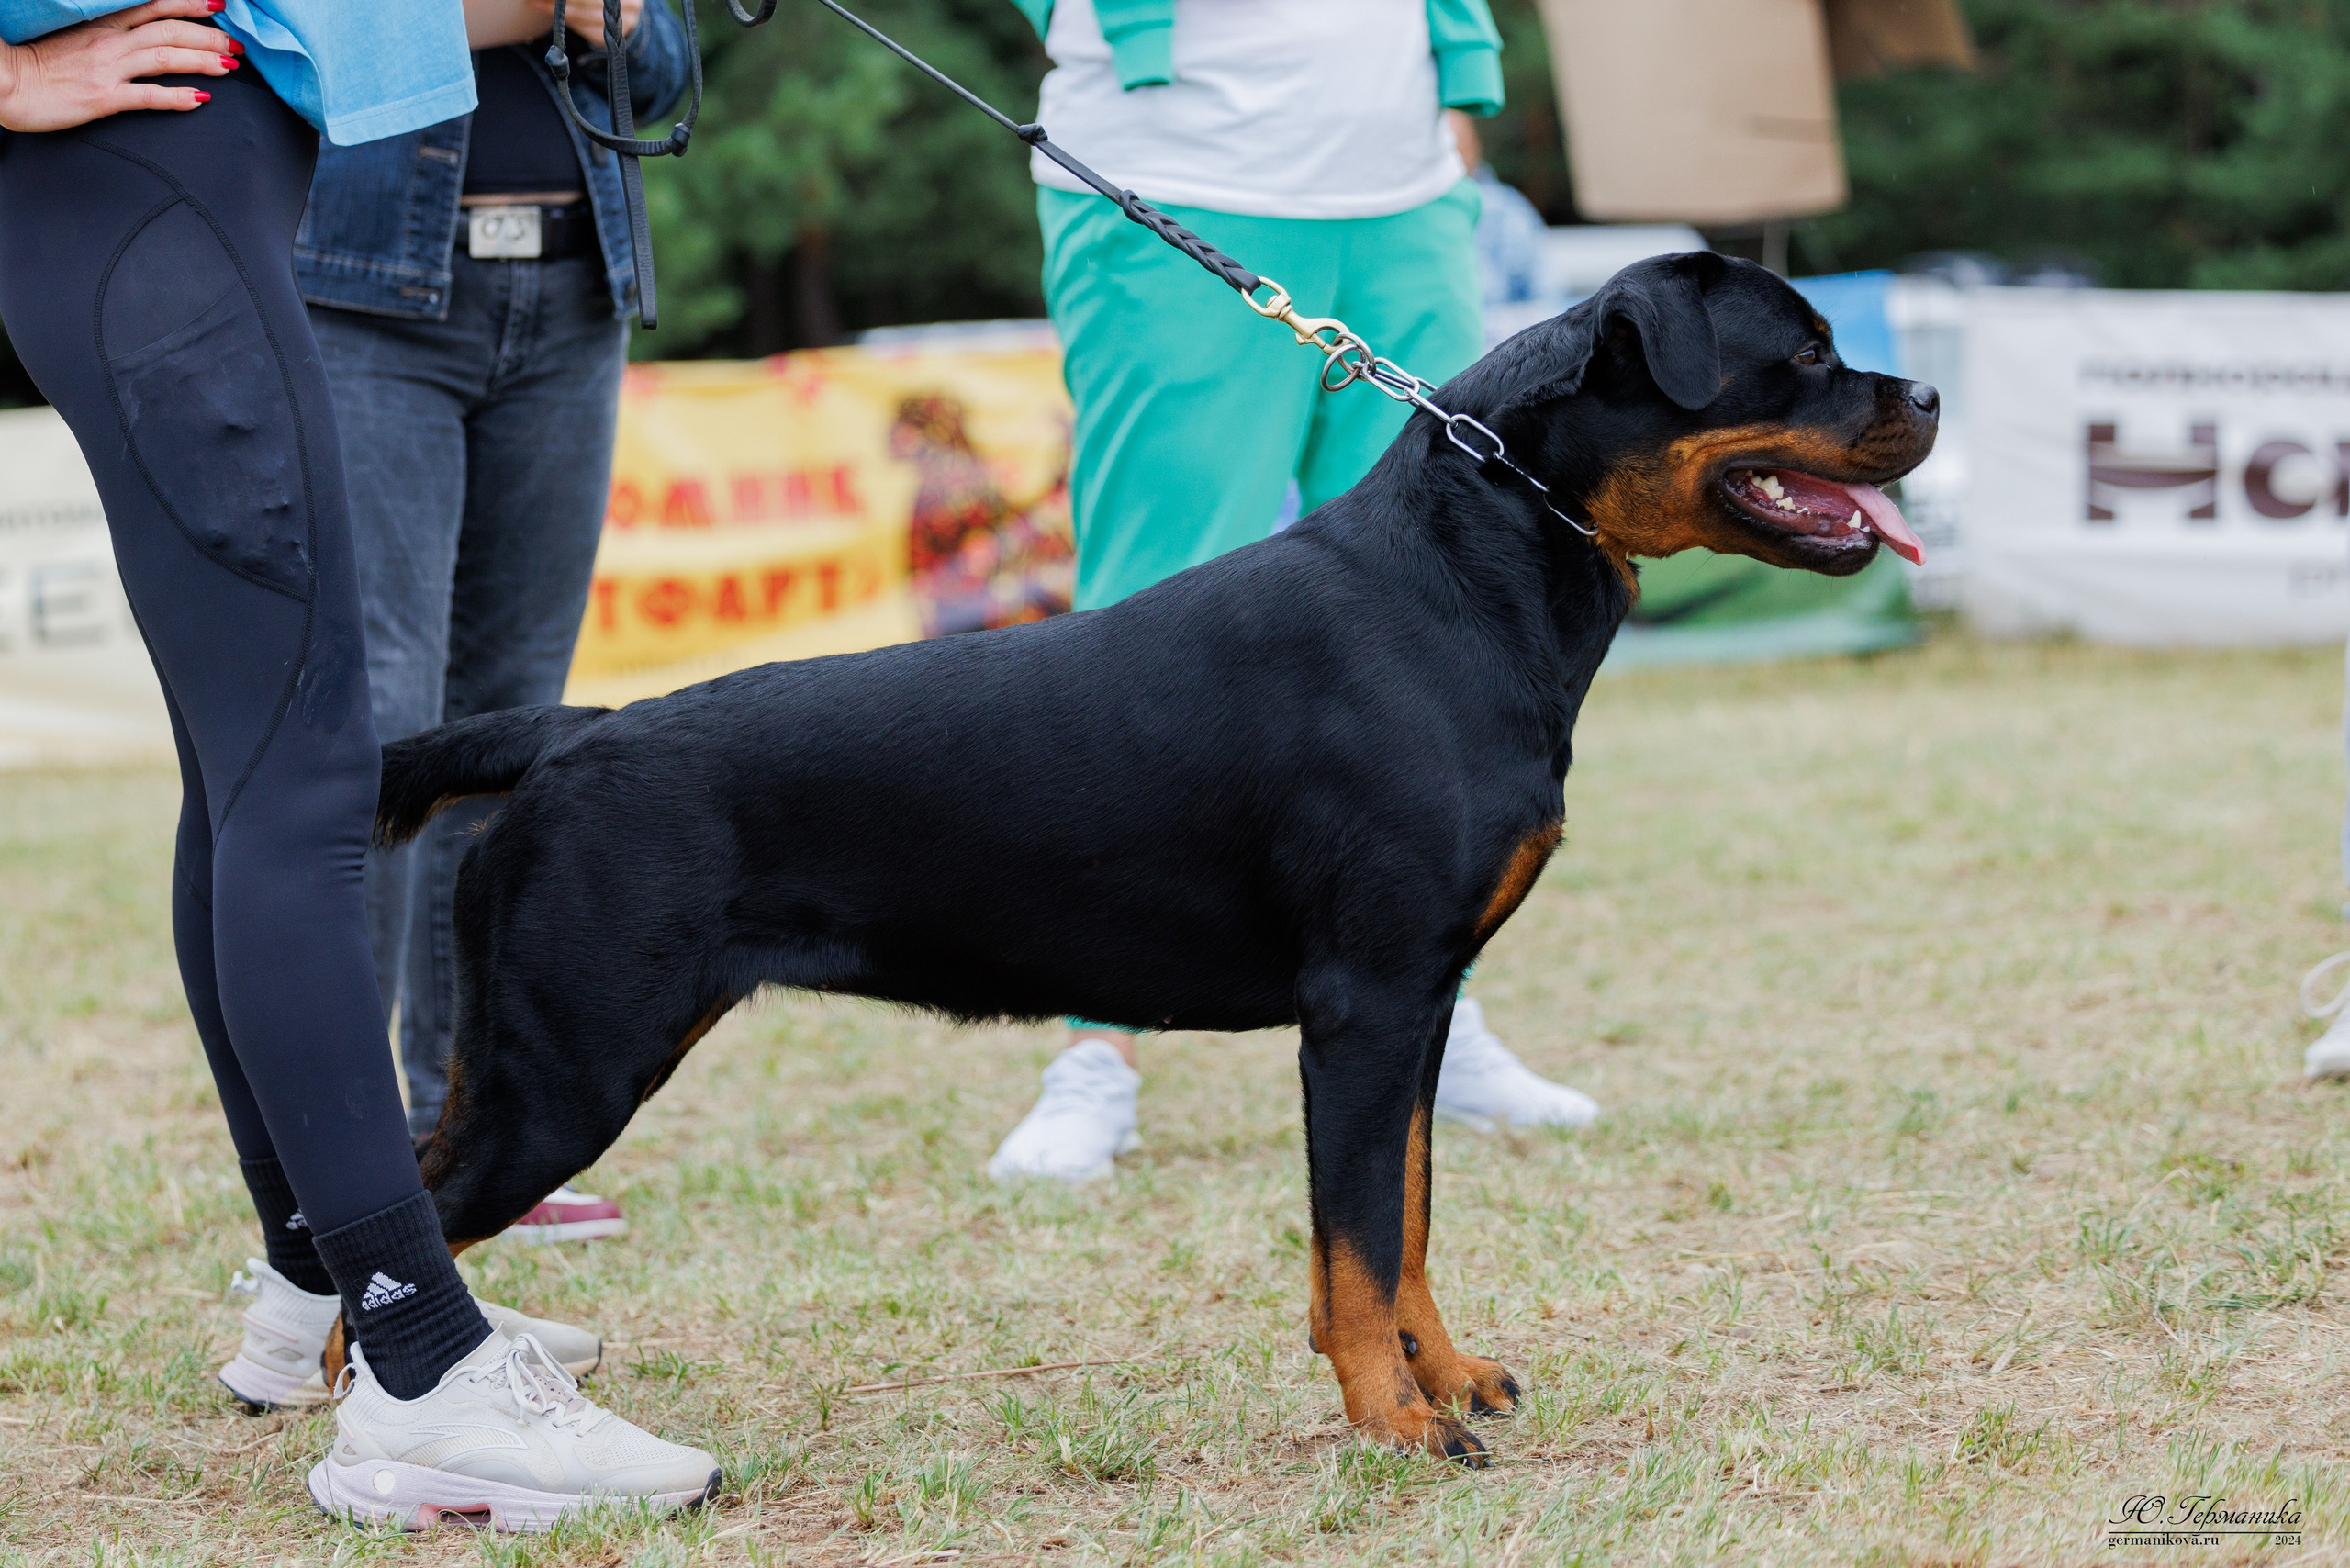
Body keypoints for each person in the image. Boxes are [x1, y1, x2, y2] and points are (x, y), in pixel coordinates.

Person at [0, 0, 717, 1529]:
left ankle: (314, 1284)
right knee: (312, 773)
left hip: (202, 161)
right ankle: (417, 1363)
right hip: (152, 166)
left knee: (257, 767)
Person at [986, 0, 1603, 1184]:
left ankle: (1443, 1005)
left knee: (1440, 629)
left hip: (1404, 198)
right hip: (1174, 176)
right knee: (1141, 627)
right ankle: (1093, 1050)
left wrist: (1453, 102)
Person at [303, 0, 690, 1248]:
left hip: (576, 289)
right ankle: (349, 1173)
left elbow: (666, 62)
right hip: (370, 303)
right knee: (385, 724)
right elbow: (317, 35)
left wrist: (615, 20)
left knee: (509, 734)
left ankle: (465, 1138)